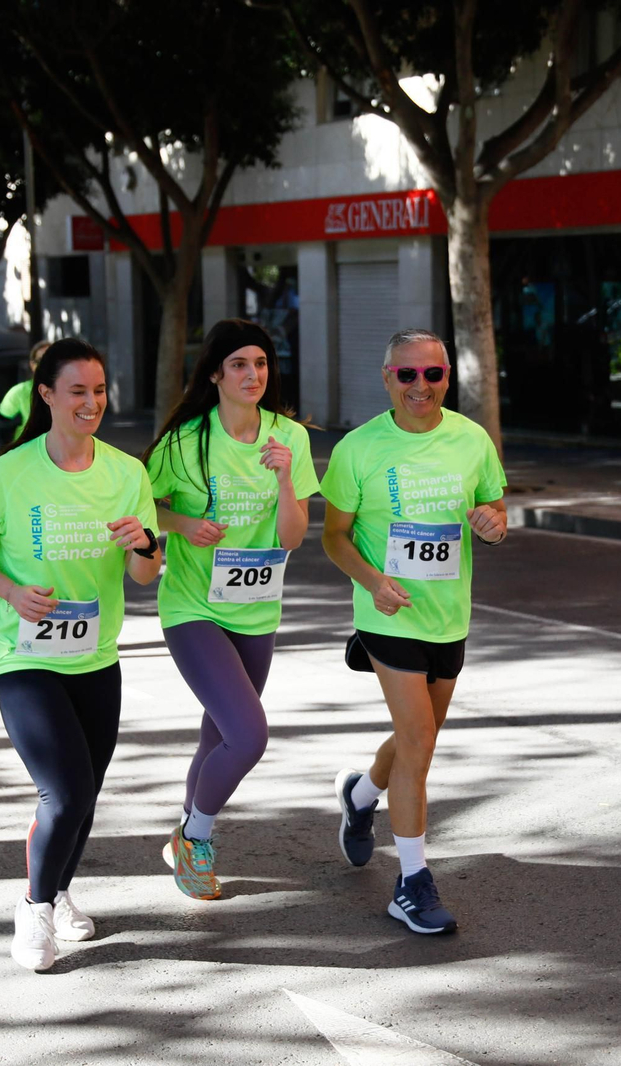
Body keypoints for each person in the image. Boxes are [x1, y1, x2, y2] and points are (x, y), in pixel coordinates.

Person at [0, 338, 161, 972]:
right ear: (46, 395)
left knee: (86, 793)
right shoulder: (9, 473)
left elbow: (145, 576)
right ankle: (35, 907)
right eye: (77, 391)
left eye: (99, 391)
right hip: (24, 655)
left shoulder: (128, 473)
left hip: (95, 655)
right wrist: (12, 591)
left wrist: (145, 543)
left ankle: (61, 890)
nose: (91, 402)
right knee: (63, 791)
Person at [318, 328, 507, 935]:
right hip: (387, 615)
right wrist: (374, 582)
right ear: (387, 379)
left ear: (447, 378)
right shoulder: (359, 448)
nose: (420, 386)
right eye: (407, 375)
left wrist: (493, 524)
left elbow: (493, 512)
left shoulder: (472, 439)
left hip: (448, 616)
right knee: (420, 740)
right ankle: (412, 883)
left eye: (433, 375)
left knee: (414, 740)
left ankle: (361, 795)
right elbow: (333, 536)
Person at [142, 319, 319, 900]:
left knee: (217, 737)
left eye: (261, 363)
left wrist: (286, 478)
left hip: (257, 608)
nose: (252, 374)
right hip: (193, 606)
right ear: (215, 372)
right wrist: (182, 523)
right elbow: (146, 509)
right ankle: (195, 837)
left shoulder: (288, 437)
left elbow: (293, 537)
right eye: (239, 364)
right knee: (248, 736)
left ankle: (185, 839)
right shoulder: (184, 441)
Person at [0, 340, 51, 443]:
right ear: (32, 364)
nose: (46, 365)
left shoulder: (72, 392)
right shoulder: (18, 393)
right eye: (40, 360)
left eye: (51, 360)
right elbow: (3, 430)